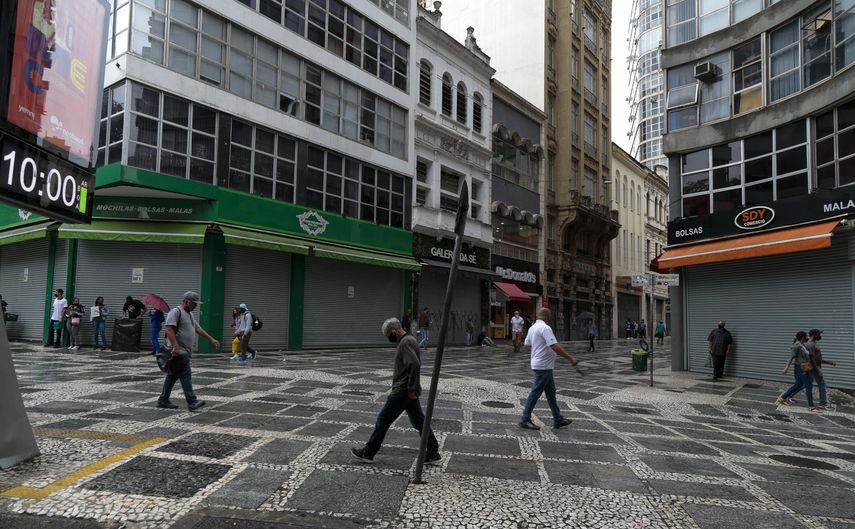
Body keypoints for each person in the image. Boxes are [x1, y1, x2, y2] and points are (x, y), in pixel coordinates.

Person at [350, 317, 441, 465]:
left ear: (394, 330)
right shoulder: (410, 339)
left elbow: (414, 364)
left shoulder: (405, 343)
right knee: (419, 421)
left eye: (388, 335)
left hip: (403, 390)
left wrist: (411, 388)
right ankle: (433, 452)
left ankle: (368, 452)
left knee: (383, 420)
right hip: (407, 390)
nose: (388, 338)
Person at [157, 291, 219, 411]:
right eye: (194, 303)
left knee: (172, 376)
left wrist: (211, 339)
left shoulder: (190, 314)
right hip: (180, 350)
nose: (196, 306)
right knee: (186, 374)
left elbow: (197, 328)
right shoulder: (175, 312)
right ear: (186, 301)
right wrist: (175, 346)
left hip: (183, 350)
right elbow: (169, 329)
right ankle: (192, 401)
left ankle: (163, 400)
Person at [519, 307, 577, 430]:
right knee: (535, 392)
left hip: (542, 365)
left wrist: (537, 352)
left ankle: (558, 419)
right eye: (550, 317)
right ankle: (525, 419)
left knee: (551, 393)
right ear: (548, 317)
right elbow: (554, 346)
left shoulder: (532, 328)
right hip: (543, 366)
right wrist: (570, 358)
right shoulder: (545, 328)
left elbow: (526, 345)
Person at [777, 331, 820, 411]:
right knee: (808, 385)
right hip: (800, 368)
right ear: (803, 337)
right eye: (806, 336)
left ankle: (782, 398)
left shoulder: (802, 345)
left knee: (798, 385)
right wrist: (786, 368)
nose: (808, 337)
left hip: (804, 367)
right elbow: (790, 357)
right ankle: (811, 406)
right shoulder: (796, 346)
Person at [805, 329, 837, 410]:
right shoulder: (810, 344)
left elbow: (817, 359)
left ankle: (788, 395)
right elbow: (812, 359)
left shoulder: (814, 343)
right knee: (822, 384)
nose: (820, 336)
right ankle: (823, 403)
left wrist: (829, 363)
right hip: (814, 367)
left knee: (804, 384)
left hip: (816, 366)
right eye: (819, 334)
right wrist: (817, 370)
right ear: (814, 334)